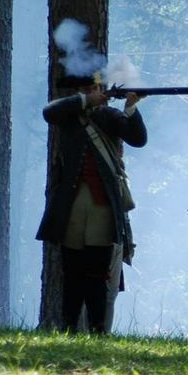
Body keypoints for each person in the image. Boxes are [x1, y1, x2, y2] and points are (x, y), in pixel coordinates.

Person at [37, 73, 147, 334]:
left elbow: (138, 139)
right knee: (72, 271)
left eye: (95, 88)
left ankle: (97, 330)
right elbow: (49, 112)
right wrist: (85, 100)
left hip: (102, 205)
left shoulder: (110, 116)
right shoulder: (69, 115)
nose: (93, 92)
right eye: (87, 89)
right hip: (72, 205)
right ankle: (68, 328)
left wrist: (131, 108)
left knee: (97, 273)